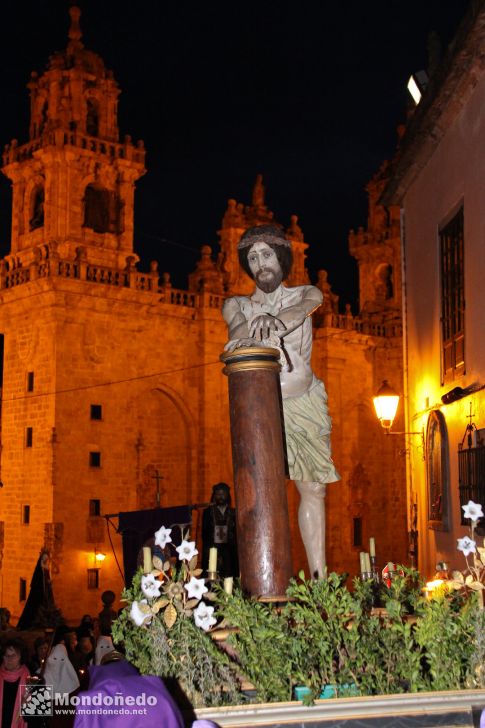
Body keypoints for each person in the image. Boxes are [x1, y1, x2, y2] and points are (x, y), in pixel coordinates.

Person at [222, 224, 340, 578]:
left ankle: (319, 583)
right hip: (259, 405)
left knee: (313, 489)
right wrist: (250, 326)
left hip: (302, 401)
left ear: (282, 258)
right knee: (259, 491)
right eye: (253, 258)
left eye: (267, 255)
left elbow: (304, 308)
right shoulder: (237, 304)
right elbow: (237, 331)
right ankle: (263, 579)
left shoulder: (307, 293)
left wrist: (273, 321)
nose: (261, 264)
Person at [202, 483, 239, 578]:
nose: (221, 497)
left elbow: (237, 533)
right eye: (218, 494)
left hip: (229, 551)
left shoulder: (234, 512)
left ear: (227, 495)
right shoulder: (208, 512)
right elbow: (204, 534)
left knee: (229, 576)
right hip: (213, 550)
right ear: (214, 495)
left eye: (223, 494)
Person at [0, 637, 30, 728]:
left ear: (21, 656)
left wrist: (28, 705)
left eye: (13, 655)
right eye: (6, 655)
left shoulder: (30, 679)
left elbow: (35, 716)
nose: (9, 659)